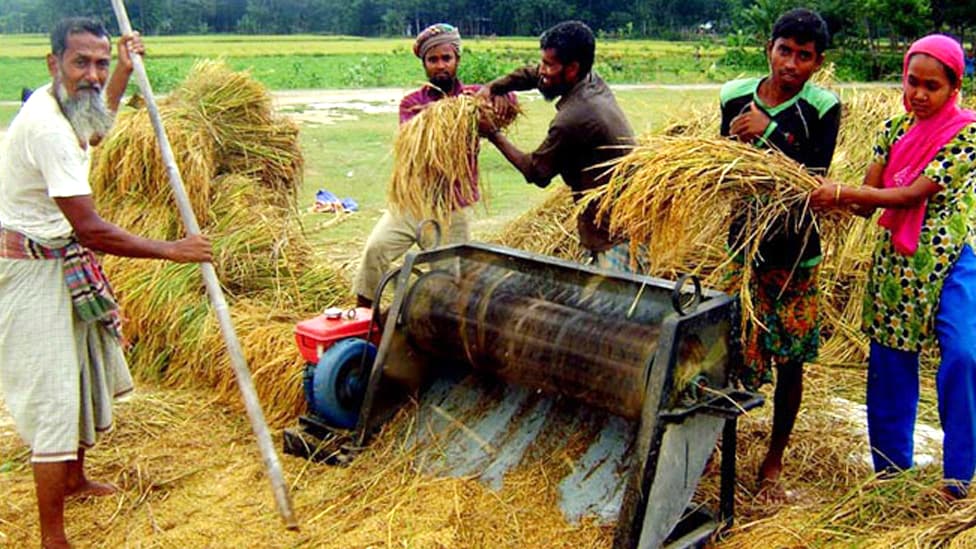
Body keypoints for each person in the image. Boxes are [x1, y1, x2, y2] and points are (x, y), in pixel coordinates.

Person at [0, 17, 212, 548]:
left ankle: (74, 478)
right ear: (54, 65)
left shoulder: (69, 107)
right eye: (82, 63)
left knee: (79, 368)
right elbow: (90, 229)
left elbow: (98, 126)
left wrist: (121, 71)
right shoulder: (46, 126)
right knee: (52, 395)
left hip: (59, 261)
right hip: (30, 269)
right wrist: (173, 251)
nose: (91, 75)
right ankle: (53, 538)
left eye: (99, 62)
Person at [811, 34, 976, 501]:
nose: (920, 95)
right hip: (898, 264)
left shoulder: (967, 134)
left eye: (932, 86)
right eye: (912, 83)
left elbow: (909, 195)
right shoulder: (893, 131)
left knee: (965, 355)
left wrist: (842, 192)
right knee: (889, 363)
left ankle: (959, 479)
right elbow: (866, 206)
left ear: (953, 87)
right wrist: (806, 193)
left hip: (950, 261)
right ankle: (890, 476)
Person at [719, 8, 840, 499]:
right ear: (768, 47)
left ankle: (774, 459)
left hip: (794, 253)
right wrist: (731, 144)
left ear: (818, 62)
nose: (791, 63)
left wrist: (768, 130)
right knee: (729, 352)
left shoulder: (822, 106)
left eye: (803, 56)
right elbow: (723, 161)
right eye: (784, 50)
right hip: (744, 246)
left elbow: (814, 174)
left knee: (791, 359)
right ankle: (718, 445)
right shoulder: (733, 95)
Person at [352, 24, 512, 308]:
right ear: (424, 63)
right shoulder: (411, 105)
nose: (440, 66)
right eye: (433, 59)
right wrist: (454, 110)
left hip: (453, 206)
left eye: (446, 58)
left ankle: (436, 331)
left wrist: (497, 96)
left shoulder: (474, 98)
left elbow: (509, 100)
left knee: (448, 284)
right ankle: (365, 319)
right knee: (374, 251)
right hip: (412, 202)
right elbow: (416, 134)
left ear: (457, 60)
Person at [477, 20, 639, 271]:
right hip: (623, 218)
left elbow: (535, 172)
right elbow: (536, 76)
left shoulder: (574, 118)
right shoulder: (590, 80)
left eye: (548, 64)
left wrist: (492, 133)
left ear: (572, 68)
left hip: (616, 236)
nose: (542, 70)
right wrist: (494, 87)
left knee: (617, 306)